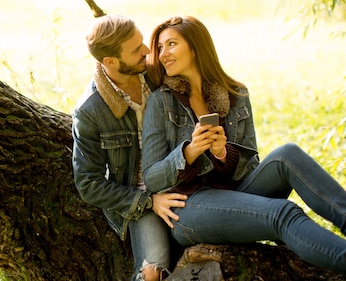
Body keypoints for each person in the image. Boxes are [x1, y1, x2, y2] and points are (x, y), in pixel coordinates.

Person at [141, 15, 346, 275]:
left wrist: (223, 154)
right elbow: (152, 177)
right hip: (189, 208)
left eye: (171, 44)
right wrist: (189, 152)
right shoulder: (161, 102)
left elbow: (251, 168)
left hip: (238, 194)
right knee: (281, 213)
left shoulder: (236, 94)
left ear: (196, 47)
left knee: (287, 155)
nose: (162, 54)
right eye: (159, 48)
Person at [72, 14, 188, 281]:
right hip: (140, 196)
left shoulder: (157, 74)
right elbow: (88, 184)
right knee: (152, 272)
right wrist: (149, 202)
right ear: (110, 62)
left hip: (180, 178)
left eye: (142, 42)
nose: (148, 51)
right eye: (136, 50)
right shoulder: (89, 111)